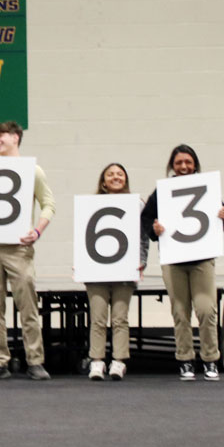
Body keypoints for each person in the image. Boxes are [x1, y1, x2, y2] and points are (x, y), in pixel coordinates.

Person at [0, 120, 55, 380]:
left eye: (2, 135)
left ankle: (35, 360)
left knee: (28, 307)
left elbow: (49, 204)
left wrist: (37, 231)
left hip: (18, 249)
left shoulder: (32, 171)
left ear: (16, 137)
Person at [140, 144, 224, 381]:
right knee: (180, 312)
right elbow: (146, 218)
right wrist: (154, 229)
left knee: (206, 310)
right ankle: (185, 360)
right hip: (173, 261)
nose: (183, 167)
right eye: (179, 163)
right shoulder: (162, 192)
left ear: (195, 165)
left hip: (202, 260)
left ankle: (211, 360)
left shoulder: (206, 188)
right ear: (172, 166)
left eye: (188, 162)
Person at [84, 163, 148, 381]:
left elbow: (143, 236)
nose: (115, 177)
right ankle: (97, 361)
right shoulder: (90, 205)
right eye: (110, 174)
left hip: (124, 270)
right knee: (98, 318)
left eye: (119, 174)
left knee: (120, 318)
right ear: (103, 181)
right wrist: (82, 262)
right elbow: (84, 236)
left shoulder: (137, 204)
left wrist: (142, 261)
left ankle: (119, 362)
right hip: (97, 271)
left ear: (125, 179)